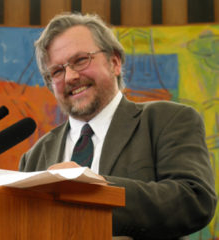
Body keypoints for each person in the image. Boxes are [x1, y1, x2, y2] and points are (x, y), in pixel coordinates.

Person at [19, 12, 217, 239]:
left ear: (114, 62)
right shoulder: (34, 156)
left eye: (81, 60)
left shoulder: (168, 120)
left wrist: (92, 187)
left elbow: (194, 200)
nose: (70, 77)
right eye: (57, 71)